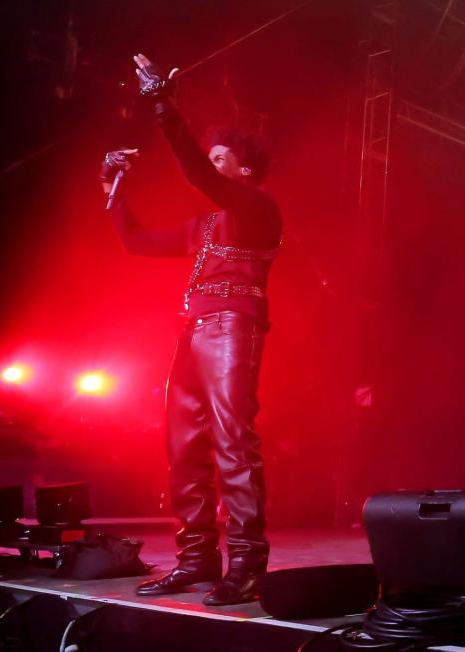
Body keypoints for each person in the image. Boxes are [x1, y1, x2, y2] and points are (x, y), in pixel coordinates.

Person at [99, 54, 281, 606]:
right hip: (194, 331)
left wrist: (163, 105)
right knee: (183, 449)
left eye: (221, 157)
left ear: (244, 171)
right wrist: (114, 190)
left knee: (232, 443)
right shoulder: (204, 226)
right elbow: (137, 242)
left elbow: (195, 172)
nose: (210, 162)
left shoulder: (256, 206)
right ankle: (197, 559)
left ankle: (247, 564)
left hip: (232, 329)